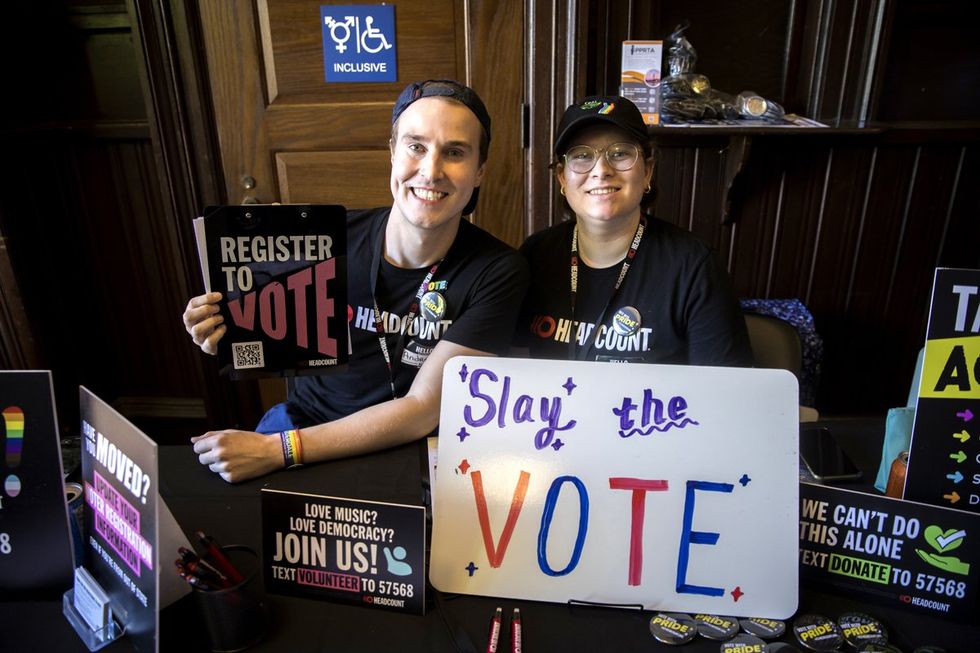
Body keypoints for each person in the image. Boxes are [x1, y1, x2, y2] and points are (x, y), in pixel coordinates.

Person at [183, 80, 529, 482]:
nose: (431, 171)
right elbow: (261, 346)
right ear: (392, 152)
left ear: (479, 171)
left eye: (454, 152)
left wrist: (281, 450)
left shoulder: (498, 270)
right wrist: (221, 327)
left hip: (410, 448)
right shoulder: (328, 239)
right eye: (416, 146)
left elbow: (422, 408)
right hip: (301, 423)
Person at [515, 95, 751, 365]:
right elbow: (512, 365)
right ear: (562, 178)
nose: (601, 170)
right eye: (582, 156)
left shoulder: (694, 267)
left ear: (647, 171)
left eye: (620, 153)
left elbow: (725, 391)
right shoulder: (534, 255)